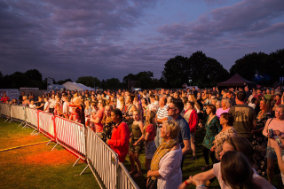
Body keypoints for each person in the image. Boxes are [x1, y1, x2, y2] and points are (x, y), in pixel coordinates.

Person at [179, 136, 275, 189]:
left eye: (226, 152)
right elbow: (203, 176)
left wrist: (200, 186)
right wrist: (187, 182)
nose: (220, 153)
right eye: (222, 150)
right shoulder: (222, 166)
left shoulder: (255, 179)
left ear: (239, 155)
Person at [147, 120, 182, 189]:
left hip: (168, 184)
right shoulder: (166, 144)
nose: (160, 129)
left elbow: (163, 172)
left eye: (163, 128)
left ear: (168, 133)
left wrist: (150, 173)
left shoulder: (173, 152)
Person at [262, 104, 284, 182]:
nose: (277, 113)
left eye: (280, 112)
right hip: (270, 146)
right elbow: (264, 131)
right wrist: (267, 134)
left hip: (281, 148)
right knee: (270, 167)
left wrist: (281, 134)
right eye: (276, 111)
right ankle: (270, 182)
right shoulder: (270, 120)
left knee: (282, 167)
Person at [167, 98, 190, 165]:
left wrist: (175, 155)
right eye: (168, 107)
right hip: (168, 151)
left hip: (176, 154)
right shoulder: (169, 118)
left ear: (177, 111)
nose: (167, 109)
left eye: (169, 108)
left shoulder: (183, 124)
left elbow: (187, 147)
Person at [201, 104, 220, 170]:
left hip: (212, 138)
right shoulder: (208, 117)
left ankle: (215, 167)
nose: (206, 110)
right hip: (206, 138)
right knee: (204, 151)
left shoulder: (216, 119)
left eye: (207, 108)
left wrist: (216, 140)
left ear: (211, 109)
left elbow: (219, 130)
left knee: (212, 155)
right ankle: (207, 165)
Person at [129, 110, 144, 177]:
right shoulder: (134, 122)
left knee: (136, 157)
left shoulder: (140, 123)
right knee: (130, 156)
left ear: (139, 115)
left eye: (136, 115)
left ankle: (139, 172)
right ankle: (133, 169)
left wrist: (137, 142)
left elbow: (143, 134)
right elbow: (133, 131)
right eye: (133, 115)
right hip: (132, 141)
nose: (135, 116)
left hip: (138, 142)